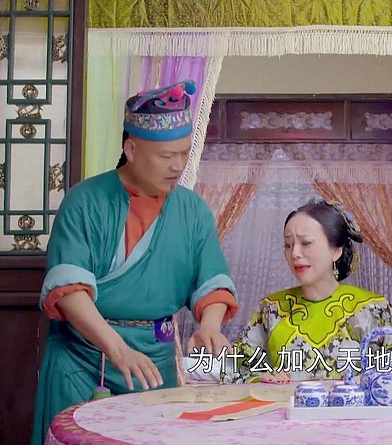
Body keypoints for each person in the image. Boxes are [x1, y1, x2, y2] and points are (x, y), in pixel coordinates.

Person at [31, 80, 239, 444]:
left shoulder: (193, 211)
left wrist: (209, 324)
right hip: (82, 357)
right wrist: (116, 348)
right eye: (165, 156)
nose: (177, 166)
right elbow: (68, 288)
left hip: (153, 363)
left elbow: (212, 280)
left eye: (183, 154)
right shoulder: (85, 201)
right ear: (131, 148)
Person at [219, 198, 392, 384]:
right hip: (288, 417)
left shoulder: (373, 308)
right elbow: (235, 365)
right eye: (288, 244)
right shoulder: (272, 309)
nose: (295, 253)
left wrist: (376, 376)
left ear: (336, 251)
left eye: (306, 243)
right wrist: (261, 376)